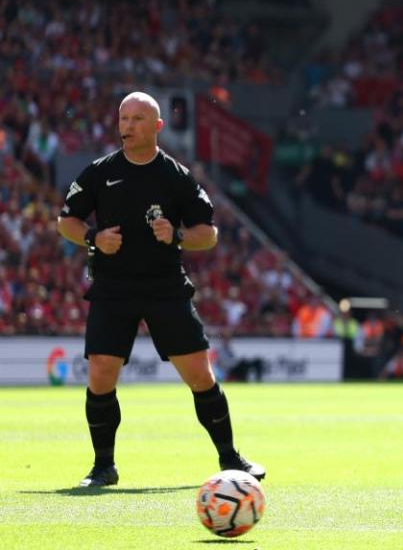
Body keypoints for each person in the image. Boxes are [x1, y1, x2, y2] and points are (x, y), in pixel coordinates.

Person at [57, 92, 266, 488]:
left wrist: (178, 235)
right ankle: (103, 466)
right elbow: (64, 222)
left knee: (200, 375)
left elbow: (209, 235)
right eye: (123, 117)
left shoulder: (176, 176)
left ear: (157, 127)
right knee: (101, 373)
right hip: (113, 286)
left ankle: (230, 457)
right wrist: (92, 238)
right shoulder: (98, 172)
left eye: (137, 119)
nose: (128, 126)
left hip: (164, 286)